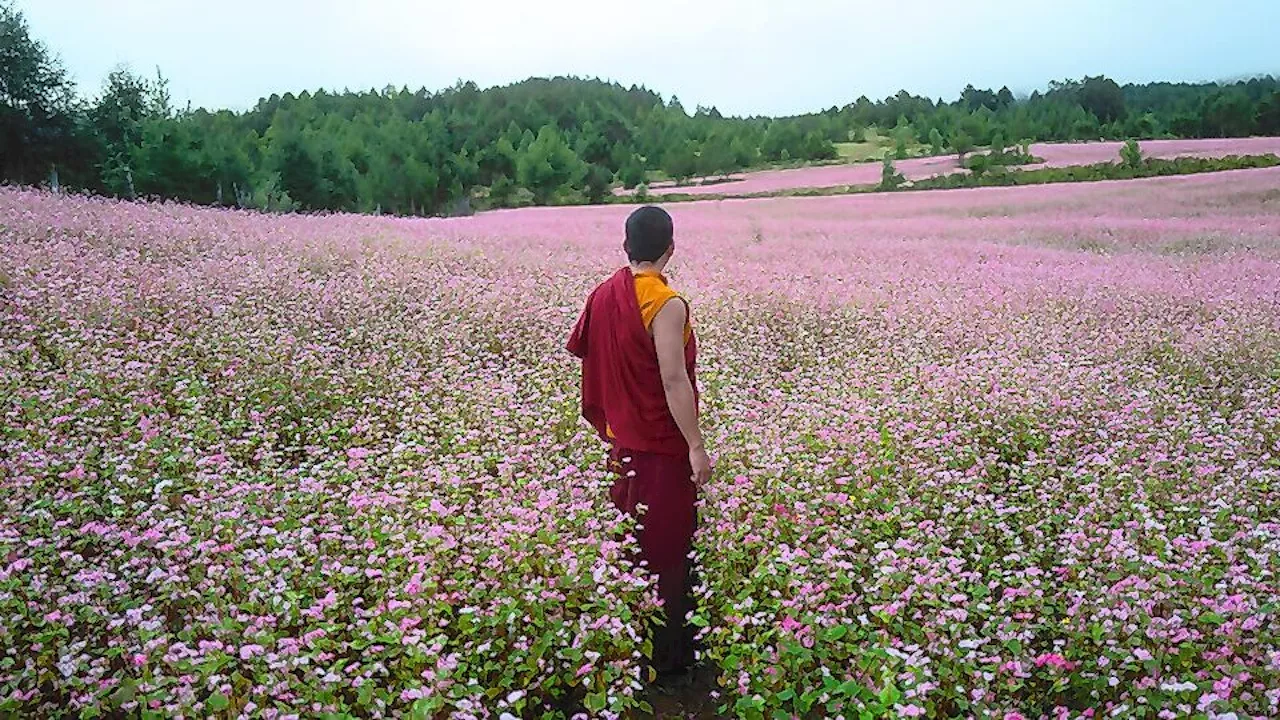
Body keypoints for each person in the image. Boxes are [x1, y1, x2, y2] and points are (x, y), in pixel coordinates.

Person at [566, 205, 711, 680]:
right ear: (671, 248)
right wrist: (695, 446)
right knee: (668, 546)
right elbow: (673, 379)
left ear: (626, 246)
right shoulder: (665, 302)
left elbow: (593, 358)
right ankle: (670, 659)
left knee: (633, 540)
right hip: (662, 447)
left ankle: (631, 644)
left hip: (624, 441)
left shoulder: (604, 294)